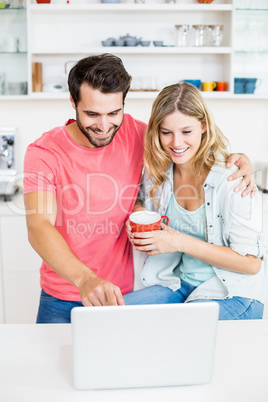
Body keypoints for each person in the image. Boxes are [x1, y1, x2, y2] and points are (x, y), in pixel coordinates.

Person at [24, 54, 255, 324]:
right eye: (91, 114)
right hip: (60, 296)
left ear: (123, 103)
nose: (103, 125)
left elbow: (185, 146)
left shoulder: (137, 135)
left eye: (113, 113)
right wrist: (85, 279)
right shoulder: (44, 153)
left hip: (119, 297)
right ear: (73, 103)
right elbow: (39, 226)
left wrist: (236, 160)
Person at [125, 82, 266, 320]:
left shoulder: (233, 178)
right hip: (177, 285)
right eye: (166, 132)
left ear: (203, 126)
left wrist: (179, 241)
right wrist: (137, 216)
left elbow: (251, 264)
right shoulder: (159, 172)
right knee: (111, 316)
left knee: (180, 334)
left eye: (186, 131)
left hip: (230, 293)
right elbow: (139, 198)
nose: (176, 143)